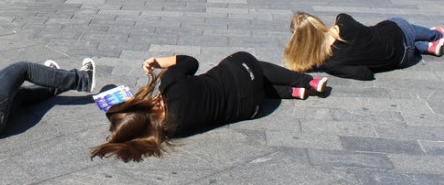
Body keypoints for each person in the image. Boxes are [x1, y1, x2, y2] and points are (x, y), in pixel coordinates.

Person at [90, 52, 327, 162]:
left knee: (246, 88)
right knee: (246, 65)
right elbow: (189, 61)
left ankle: (293, 92)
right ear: (138, 104)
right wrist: (158, 62)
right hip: (245, 71)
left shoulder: (170, 130)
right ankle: (307, 82)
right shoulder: (172, 83)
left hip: (253, 108)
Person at [283, 12, 444, 81]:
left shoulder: (330, 64)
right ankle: (437, 35)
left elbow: (366, 74)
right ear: (318, 23)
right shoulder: (343, 21)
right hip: (398, 33)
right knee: (396, 22)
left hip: (401, 60)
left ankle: (426, 47)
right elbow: (369, 35)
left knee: (400, 41)